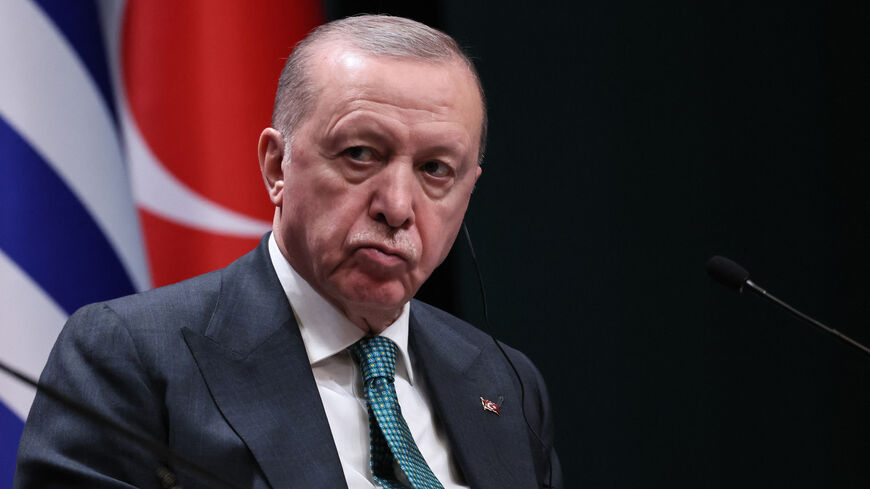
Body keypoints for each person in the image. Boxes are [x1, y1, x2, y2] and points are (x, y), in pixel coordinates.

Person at [15, 14, 561, 489]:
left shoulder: (502, 381)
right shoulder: (131, 357)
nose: (397, 207)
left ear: (469, 192)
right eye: (361, 153)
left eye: (435, 169)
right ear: (278, 166)